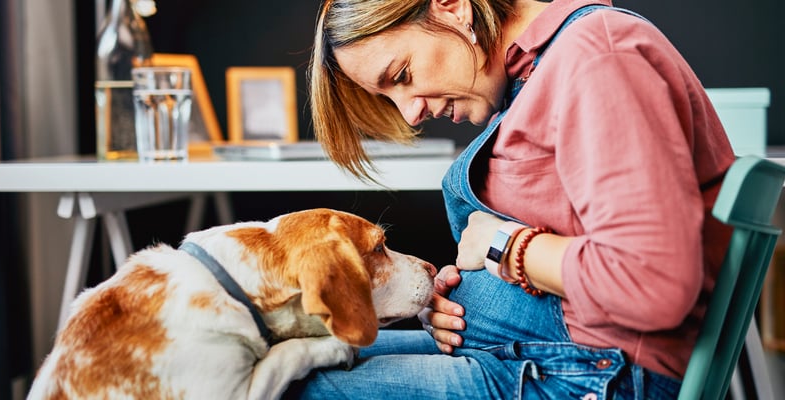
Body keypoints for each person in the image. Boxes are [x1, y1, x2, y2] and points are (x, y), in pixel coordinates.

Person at [291, 0, 736, 398]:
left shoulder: (598, 57)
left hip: (592, 376)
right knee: (295, 356)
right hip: (542, 356)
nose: (411, 113)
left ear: (451, 7)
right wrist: (460, 305)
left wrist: (504, 245)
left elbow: (653, 280)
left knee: (289, 387)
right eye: (389, 99)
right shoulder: (537, 70)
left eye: (403, 75)